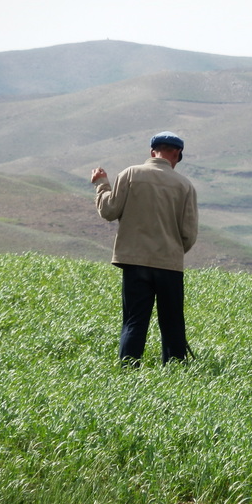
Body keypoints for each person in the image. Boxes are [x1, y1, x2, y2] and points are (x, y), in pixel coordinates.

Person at [91, 131, 198, 366]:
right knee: (172, 323)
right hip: (169, 264)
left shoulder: (130, 174)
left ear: (152, 152)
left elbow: (109, 211)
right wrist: (173, 253)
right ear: (177, 154)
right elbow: (189, 233)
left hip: (134, 263)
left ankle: (128, 371)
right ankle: (175, 374)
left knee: (134, 321)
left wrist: (101, 184)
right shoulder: (185, 185)